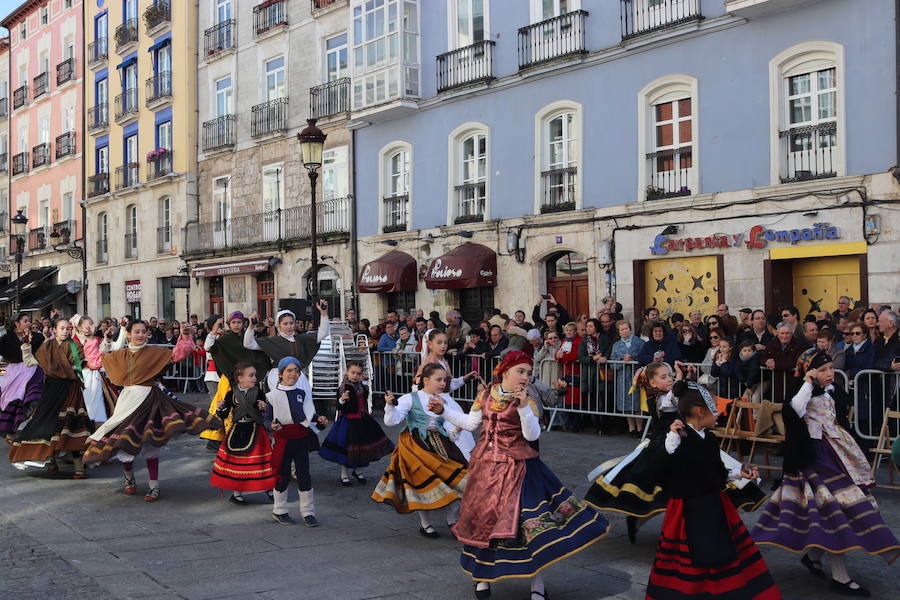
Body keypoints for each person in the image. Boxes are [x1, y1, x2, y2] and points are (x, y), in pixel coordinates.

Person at [441, 352, 610, 600]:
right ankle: (482, 577)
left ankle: (537, 587)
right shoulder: (486, 394)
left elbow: (531, 435)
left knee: (529, 528)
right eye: (520, 371)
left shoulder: (527, 400)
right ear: (505, 371)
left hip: (520, 470)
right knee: (483, 524)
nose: (525, 377)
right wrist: (443, 410)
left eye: (528, 373)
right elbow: (469, 423)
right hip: (486, 470)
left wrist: (522, 409)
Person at [753, 351, 900, 596]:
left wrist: (825, 386)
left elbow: (840, 409)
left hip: (837, 453)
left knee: (834, 511)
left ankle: (813, 556)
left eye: (831, 368)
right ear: (809, 372)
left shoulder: (831, 390)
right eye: (823, 370)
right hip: (815, 456)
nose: (830, 373)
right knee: (834, 512)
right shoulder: (801, 390)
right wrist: (809, 382)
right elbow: (793, 412)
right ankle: (840, 577)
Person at [647, 390, 779, 600]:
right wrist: (671, 441)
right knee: (689, 561)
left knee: (723, 552)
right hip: (685, 510)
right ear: (700, 411)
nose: (718, 414)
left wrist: (739, 473)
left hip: (714, 505)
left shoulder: (709, 438)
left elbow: (716, 473)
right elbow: (657, 469)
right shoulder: (675, 438)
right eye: (714, 409)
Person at [84, 321, 217, 500]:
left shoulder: (155, 352)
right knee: (124, 442)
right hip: (127, 401)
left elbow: (178, 355)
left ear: (148, 334)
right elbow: (95, 361)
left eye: (144, 332)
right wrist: (95, 338)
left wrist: (185, 336)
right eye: (136, 332)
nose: (140, 335)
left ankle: (154, 485)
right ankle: (129, 478)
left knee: (150, 443)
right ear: (128, 334)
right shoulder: (119, 355)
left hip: (150, 399)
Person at [372, 364, 469, 538]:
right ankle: (425, 524)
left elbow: (448, 427)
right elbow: (392, 421)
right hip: (415, 446)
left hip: (441, 443)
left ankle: (451, 519)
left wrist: (457, 430)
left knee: (465, 478)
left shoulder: (443, 401)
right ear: (425, 380)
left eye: (445, 380)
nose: (442, 383)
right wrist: (389, 406)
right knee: (421, 484)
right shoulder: (410, 398)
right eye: (438, 379)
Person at [8, 319, 92, 478]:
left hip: (70, 389)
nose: (65, 331)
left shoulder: (75, 346)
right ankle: (51, 461)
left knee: (70, 425)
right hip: (51, 389)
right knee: (48, 424)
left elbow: (78, 366)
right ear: (54, 329)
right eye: (62, 328)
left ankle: (78, 466)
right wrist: (26, 347)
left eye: (67, 328)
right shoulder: (47, 347)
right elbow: (31, 362)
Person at [265, 357, 327, 526]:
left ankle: (308, 512)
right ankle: (279, 510)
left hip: (301, 438)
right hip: (283, 439)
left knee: (304, 474)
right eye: (289, 370)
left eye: (297, 371)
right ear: (280, 374)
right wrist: (271, 425)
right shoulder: (271, 396)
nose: (293, 374)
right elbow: (267, 419)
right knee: (282, 474)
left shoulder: (302, 394)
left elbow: (308, 415)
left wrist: (319, 420)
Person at [201, 312, 270, 450]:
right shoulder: (225, 339)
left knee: (249, 405)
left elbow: (258, 353)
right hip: (229, 379)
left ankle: (250, 436)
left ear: (243, 323)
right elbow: (208, 347)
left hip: (247, 380)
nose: (237, 325)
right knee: (225, 406)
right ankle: (217, 437)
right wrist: (214, 329)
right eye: (233, 322)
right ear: (229, 324)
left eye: (239, 322)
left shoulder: (248, 337)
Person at [209, 363, 276, 506]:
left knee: (263, 464)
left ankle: (270, 490)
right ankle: (237, 493)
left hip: (256, 430)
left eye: (255, 375)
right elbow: (224, 414)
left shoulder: (259, 392)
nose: (254, 378)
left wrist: (264, 408)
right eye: (251, 375)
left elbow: (266, 412)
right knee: (238, 464)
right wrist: (220, 408)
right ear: (240, 378)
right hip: (237, 430)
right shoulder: (231, 394)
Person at [319, 362, 394, 485]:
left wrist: (365, 386)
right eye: (353, 373)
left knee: (362, 447)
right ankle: (343, 474)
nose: (355, 376)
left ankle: (357, 470)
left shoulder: (362, 387)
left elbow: (364, 401)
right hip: (348, 421)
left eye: (358, 374)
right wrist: (342, 400)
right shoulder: (343, 387)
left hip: (362, 420)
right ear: (347, 372)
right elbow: (338, 406)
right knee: (345, 448)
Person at [244, 301, 330, 392]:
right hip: (278, 377)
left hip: (298, 377)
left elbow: (323, 333)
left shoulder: (301, 339)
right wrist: (251, 326)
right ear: (279, 326)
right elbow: (248, 344)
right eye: (285, 324)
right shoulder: (273, 341)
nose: (289, 326)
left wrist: (323, 313)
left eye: (291, 323)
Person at [0, 314, 45, 438]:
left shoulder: (37, 337)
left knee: (32, 396)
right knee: (14, 399)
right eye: (25, 321)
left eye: (29, 321)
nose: (29, 323)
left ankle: (33, 427)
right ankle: (11, 428)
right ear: (17, 323)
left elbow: (42, 350)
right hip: (15, 372)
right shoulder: (5, 339)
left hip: (33, 370)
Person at [70, 314, 117, 426]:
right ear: (78, 327)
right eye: (85, 325)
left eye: (91, 324)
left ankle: (99, 431)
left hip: (94, 376)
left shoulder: (97, 339)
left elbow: (106, 350)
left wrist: (109, 339)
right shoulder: (72, 342)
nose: (89, 327)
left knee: (98, 406)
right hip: (78, 378)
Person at [610, 320, 645, 437]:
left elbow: (644, 358)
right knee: (626, 404)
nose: (624, 331)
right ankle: (631, 428)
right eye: (622, 329)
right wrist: (621, 361)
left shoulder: (640, 342)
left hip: (637, 377)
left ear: (630, 329)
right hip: (623, 378)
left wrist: (633, 358)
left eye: (626, 328)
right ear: (619, 332)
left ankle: (640, 428)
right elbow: (612, 364)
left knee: (637, 403)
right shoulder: (616, 345)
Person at [764, 323, 808, 402]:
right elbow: (762, 357)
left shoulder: (800, 345)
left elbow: (797, 361)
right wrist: (767, 362)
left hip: (793, 382)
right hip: (776, 383)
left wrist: (777, 364)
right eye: (782, 333)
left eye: (787, 333)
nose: (784, 336)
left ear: (791, 333)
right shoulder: (771, 344)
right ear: (778, 333)